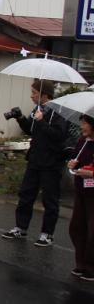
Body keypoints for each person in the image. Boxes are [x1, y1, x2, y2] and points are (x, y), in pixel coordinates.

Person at [1, 79, 67, 246]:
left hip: (51, 162)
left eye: (34, 93)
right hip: (35, 159)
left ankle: (47, 234)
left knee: (49, 199)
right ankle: (20, 227)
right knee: (26, 194)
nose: (31, 96)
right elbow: (30, 130)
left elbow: (58, 135)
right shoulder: (37, 110)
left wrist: (42, 121)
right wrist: (20, 117)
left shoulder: (58, 112)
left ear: (45, 95)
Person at [67, 115, 94, 281]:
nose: (82, 126)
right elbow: (75, 159)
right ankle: (81, 263)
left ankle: (91, 266)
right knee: (77, 227)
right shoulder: (83, 141)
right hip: (81, 191)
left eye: (85, 123)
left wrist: (91, 174)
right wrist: (72, 164)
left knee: (93, 231)